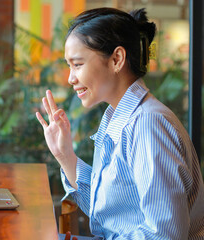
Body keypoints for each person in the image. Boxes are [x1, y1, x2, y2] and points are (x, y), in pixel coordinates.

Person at [36, 7, 204, 240]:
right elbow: (104, 215)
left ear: (117, 59)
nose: (70, 78)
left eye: (77, 64)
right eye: (69, 65)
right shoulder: (116, 117)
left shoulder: (147, 124)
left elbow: (165, 235)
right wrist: (64, 155)